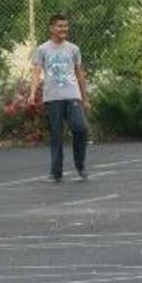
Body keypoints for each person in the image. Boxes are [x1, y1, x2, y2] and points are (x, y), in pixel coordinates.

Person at [30, 14, 90, 183]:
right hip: (53, 97)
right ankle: (56, 171)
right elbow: (36, 72)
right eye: (60, 26)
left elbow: (80, 74)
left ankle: (80, 165)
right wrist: (32, 92)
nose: (63, 29)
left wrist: (84, 98)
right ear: (51, 28)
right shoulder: (43, 49)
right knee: (56, 134)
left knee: (81, 128)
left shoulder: (73, 49)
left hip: (72, 95)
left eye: (65, 26)